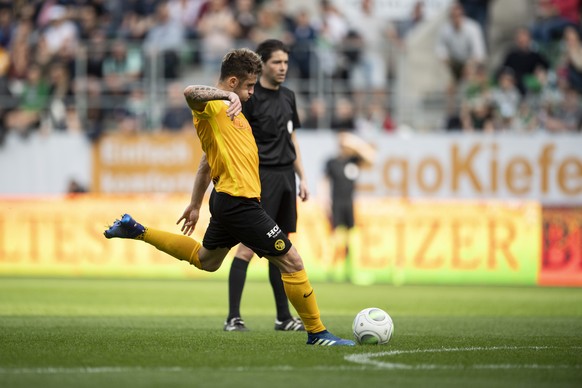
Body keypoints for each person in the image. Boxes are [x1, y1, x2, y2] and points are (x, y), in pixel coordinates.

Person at [104, 47, 354, 346]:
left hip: (228, 200)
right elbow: (189, 91)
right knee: (292, 260)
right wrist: (226, 96)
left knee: (206, 260)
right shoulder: (213, 107)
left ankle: (137, 230)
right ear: (233, 82)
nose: (252, 93)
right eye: (249, 86)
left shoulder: (234, 116)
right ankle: (317, 333)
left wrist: (196, 204)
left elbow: (205, 163)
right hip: (238, 202)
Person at [222, 39, 308, 332]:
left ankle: (283, 317)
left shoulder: (289, 97)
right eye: (276, 62)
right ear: (264, 64)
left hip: (286, 177)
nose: (282, 68)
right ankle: (233, 316)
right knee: (247, 248)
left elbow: (291, 137)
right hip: (261, 178)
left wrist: (302, 177)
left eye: (285, 62)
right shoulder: (250, 98)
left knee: (280, 248)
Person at [321, 131, 376, 282]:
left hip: (349, 204)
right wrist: (324, 201)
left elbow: (371, 158)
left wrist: (355, 142)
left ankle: (349, 271)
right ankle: (330, 271)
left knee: (351, 240)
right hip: (336, 204)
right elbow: (324, 182)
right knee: (335, 239)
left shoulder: (353, 161)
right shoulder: (331, 162)